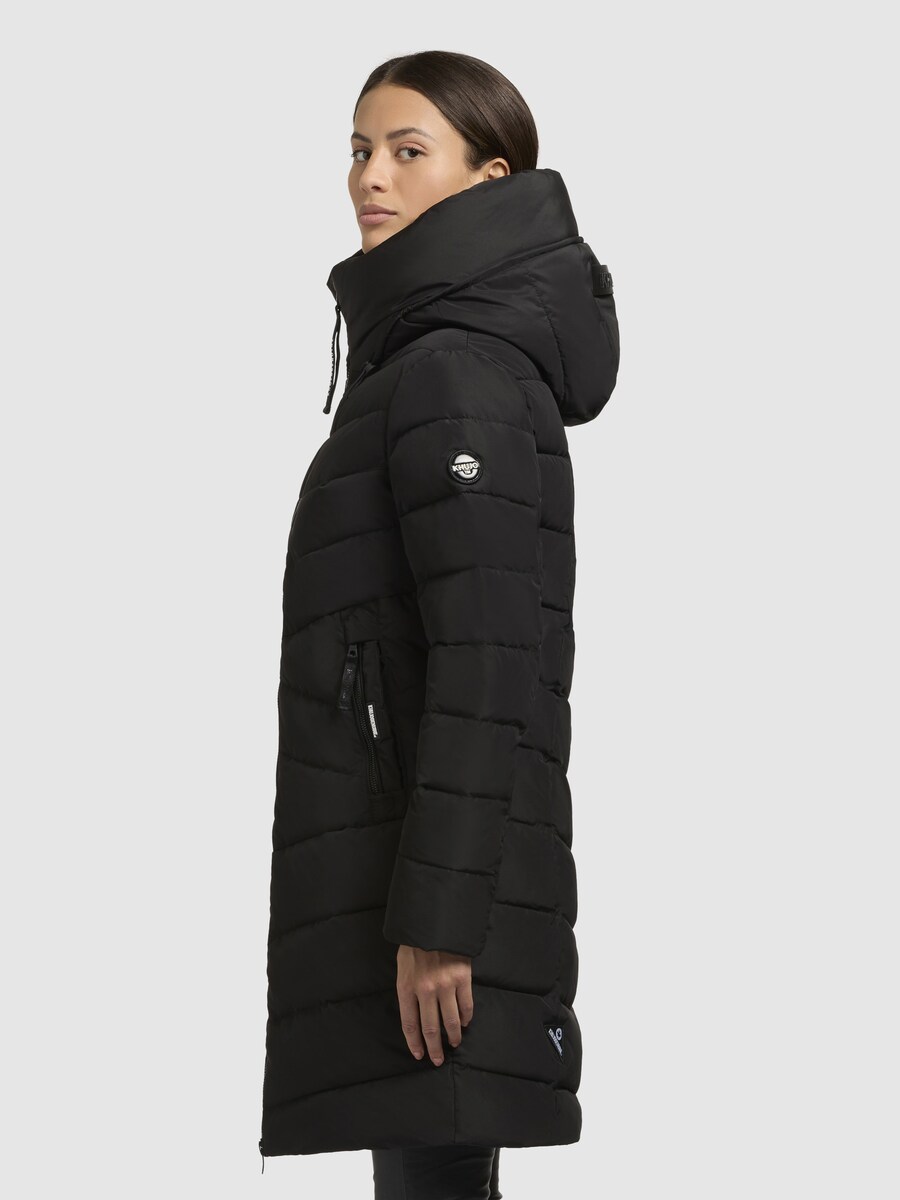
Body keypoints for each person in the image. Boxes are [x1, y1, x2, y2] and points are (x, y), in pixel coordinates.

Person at [259, 50, 620, 1200]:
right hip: (411, 880)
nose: (371, 177)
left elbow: (487, 664)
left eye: (409, 152)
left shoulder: (454, 371)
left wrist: (441, 923)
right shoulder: (426, 357)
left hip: (436, 909)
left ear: (488, 178)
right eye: (361, 149)